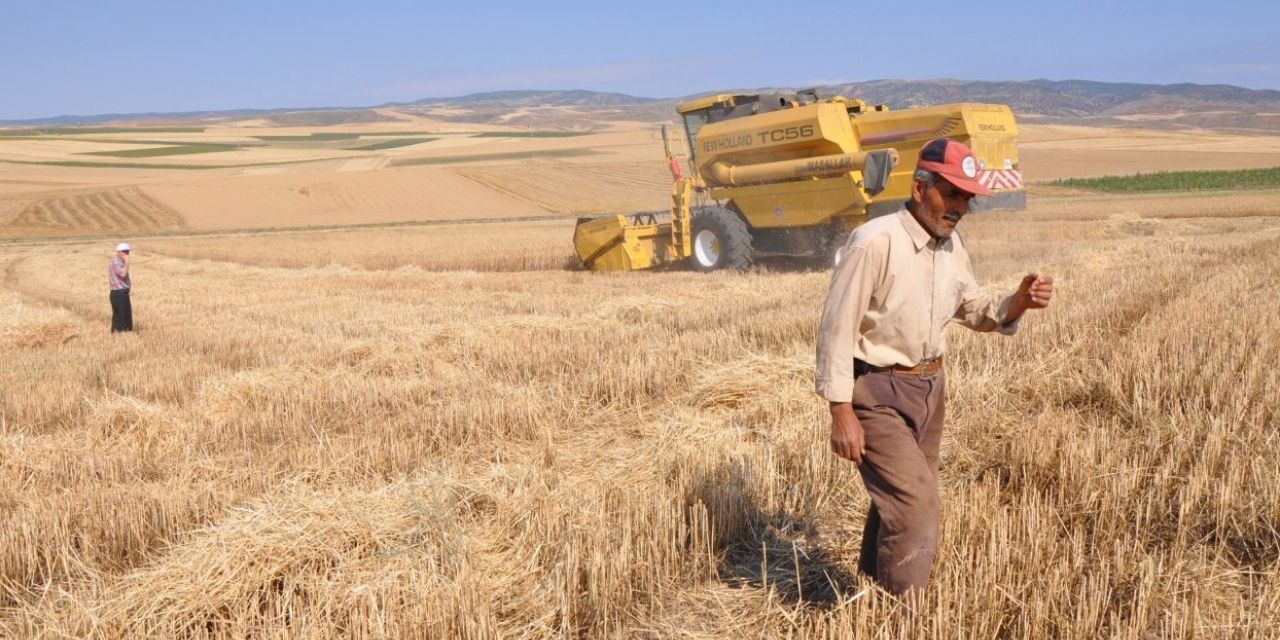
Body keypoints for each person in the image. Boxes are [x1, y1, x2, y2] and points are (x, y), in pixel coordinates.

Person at [814, 138, 1054, 596]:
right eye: (952, 193)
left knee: (900, 499)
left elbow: (973, 307)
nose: (961, 206)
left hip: (930, 389)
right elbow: (836, 327)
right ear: (919, 187)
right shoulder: (875, 242)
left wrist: (1017, 303)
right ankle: (904, 612)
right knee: (917, 503)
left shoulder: (950, 245)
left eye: (967, 197)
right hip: (876, 392)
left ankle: (872, 590)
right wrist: (839, 409)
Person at [109, 242, 132, 332]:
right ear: (118, 252)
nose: (127, 254)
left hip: (123, 293)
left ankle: (121, 336)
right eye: (124, 251)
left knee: (126, 317)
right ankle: (120, 337)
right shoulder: (115, 262)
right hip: (118, 294)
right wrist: (127, 262)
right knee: (121, 319)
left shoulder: (120, 262)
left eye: (128, 252)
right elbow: (123, 274)